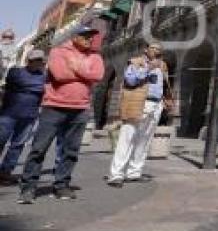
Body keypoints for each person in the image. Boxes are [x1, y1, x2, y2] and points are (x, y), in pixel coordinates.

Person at [18, 26, 104, 203]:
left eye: (91, 37)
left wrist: (77, 68)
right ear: (74, 37)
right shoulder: (58, 52)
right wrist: (84, 74)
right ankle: (28, 188)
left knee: (71, 151)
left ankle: (62, 185)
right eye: (85, 36)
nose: (90, 39)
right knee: (39, 149)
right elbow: (60, 74)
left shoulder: (95, 56)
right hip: (54, 107)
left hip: (80, 109)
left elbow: (98, 75)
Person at [107, 43, 173, 187]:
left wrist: (165, 100)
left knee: (144, 140)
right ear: (146, 50)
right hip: (139, 103)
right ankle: (116, 174)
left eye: (159, 49)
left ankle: (134, 172)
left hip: (156, 105)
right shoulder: (136, 62)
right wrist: (149, 68)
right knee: (127, 138)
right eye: (153, 48)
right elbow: (130, 80)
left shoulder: (162, 66)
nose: (156, 51)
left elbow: (165, 85)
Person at [0, 50, 47, 185]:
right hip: (9, 113)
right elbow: (27, 84)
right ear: (28, 60)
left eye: (39, 60)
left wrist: (31, 88)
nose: (36, 63)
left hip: (29, 116)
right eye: (33, 60)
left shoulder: (44, 76)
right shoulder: (15, 71)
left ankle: (5, 172)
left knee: (18, 145)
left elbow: (43, 89)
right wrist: (38, 88)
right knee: (1, 141)